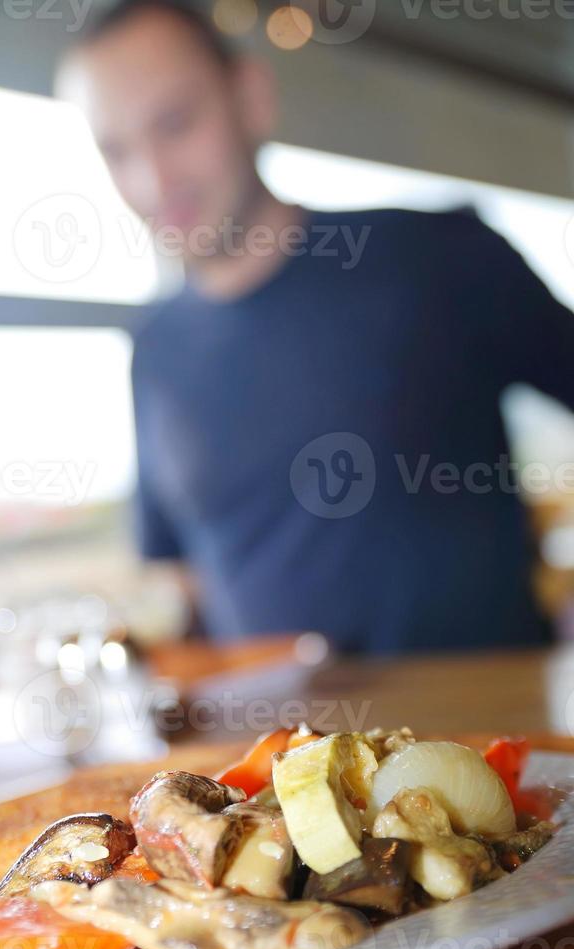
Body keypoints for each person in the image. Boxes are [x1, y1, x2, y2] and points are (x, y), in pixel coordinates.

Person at [57, 0, 574, 653]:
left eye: (177, 123)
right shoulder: (156, 349)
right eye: (117, 149)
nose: (154, 179)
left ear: (251, 98)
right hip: (273, 752)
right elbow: (179, 577)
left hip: (482, 740)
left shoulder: (437, 258)